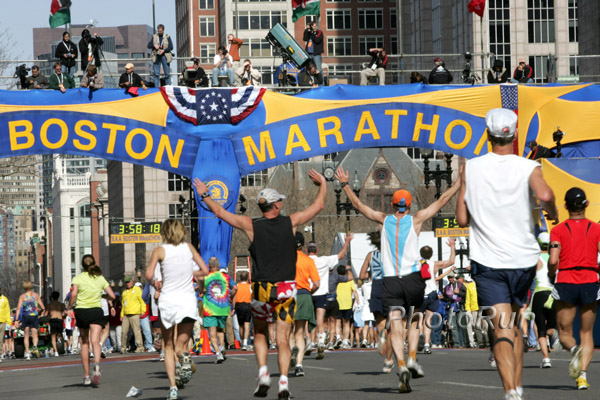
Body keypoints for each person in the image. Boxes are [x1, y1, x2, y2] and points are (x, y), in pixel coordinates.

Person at [192, 168, 327, 400]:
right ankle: (283, 382)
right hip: (286, 286)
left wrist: (204, 194)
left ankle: (264, 373)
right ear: (276, 205)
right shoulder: (290, 223)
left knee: (261, 332)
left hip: (262, 288)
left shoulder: (251, 225)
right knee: (284, 338)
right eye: (280, 202)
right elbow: (318, 206)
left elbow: (220, 212)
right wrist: (323, 183)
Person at [456, 107, 558, 400]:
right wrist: (551, 213)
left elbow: (462, 219)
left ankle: (511, 390)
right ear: (514, 136)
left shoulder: (471, 168)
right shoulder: (529, 167)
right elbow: (546, 196)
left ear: (488, 135)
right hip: (523, 261)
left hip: (488, 261)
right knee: (514, 323)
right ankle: (517, 385)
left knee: (501, 325)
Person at [335, 166, 461, 393]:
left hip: (391, 280)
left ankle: (401, 364)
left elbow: (358, 205)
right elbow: (441, 201)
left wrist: (345, 184)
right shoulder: (416, 219)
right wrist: (460, 182)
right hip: (413, 279)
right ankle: (412, 357)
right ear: (410, 205)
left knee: (395, 326)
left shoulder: (383, 219)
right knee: (414, 320)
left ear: (392, 205)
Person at [146, 218, 209, 400]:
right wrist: (189, 272)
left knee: (168, 346)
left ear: (164, 232)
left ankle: (173, 387)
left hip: (168, 301)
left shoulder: (160, 250)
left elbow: (150, 275)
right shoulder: (188, 248)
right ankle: (185, 357)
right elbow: (204, 270)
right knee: (182, 345)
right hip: (187, 302)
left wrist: (155, 282)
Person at [548, 187, 600, 390]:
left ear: (565, 206)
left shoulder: (558, 230)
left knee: (564, 333)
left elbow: (553, 260)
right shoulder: (596, 229)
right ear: (586, 204)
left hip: (566, 280)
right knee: (587, 332)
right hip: (589, 280)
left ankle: (574, 349)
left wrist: (552, 275)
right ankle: (582, 377)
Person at [68, 255, 116, 386]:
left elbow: (73, 294)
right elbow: (112, 295)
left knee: (84, 342)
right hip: (96, 310)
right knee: (95, 340)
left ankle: (87, 376)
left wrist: (69, 307)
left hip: (82, 311)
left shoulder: (78, 278)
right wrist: (102, 295)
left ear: (82, 265)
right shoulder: (100, 278)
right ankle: (97, 363)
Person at [308, 234, 352, 360]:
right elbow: (341, 255)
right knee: (320, 320)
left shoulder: (305, 261)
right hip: (322, 294)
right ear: (317, 251)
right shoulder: (324, 260)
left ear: (307, 251)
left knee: (306, 321)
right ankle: (321, 341)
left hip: (309, 292)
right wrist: (347, 242)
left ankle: (310, 342)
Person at [358, 231, 394, 372]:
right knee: (391, 327)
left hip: (376, 286)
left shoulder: (370, 255)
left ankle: (380, 336)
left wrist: (372, 273)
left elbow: (361, 275)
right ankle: (388, 360)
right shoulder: (392, 254)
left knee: (380, 322)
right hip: (390, 286)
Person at [290, 232, 320, 377]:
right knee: (300, 332)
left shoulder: (284, 259)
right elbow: (316, 283)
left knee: (287, 331)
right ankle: (299, 365)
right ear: (302, 245)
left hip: (288, 294)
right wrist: (309, 292)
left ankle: (290, 351)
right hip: (303, 294)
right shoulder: (308, 260)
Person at [419, 240, 457, 354]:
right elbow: (451, 261)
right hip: (431, 294)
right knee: (428, 320)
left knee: (418, 319)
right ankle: (426, 343)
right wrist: (452, 246)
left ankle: (420, 334)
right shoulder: (434, 264)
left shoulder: (416, 264)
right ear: (431, 254)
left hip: (420, 294)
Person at [529, 232, 558, 368]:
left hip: (539, 294)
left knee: (540, 329)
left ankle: (546, 358)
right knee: (550, 327)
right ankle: (556, 335)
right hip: (554, 294)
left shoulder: (535, 259)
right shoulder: (556, 258)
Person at [202, 257, 237, 364]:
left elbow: (201, 289)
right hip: (223, 307)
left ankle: (218, 353)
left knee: (212, 334)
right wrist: (231, 296)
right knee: (221, 330)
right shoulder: (226, 276)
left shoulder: (206, 277)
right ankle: (222, 347)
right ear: (218, 265)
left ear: (209, 266)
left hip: (210, 309)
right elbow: (235, 287)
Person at [16, 281, 46, 360]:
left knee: (26, 335)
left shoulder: (22, 296)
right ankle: (35, 346)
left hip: (25, 316)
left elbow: (18, 308)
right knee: (35, 334)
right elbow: (43, 307)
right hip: (34, 316)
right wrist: (40, 312)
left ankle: (27, 353)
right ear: (31, 287)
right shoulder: (36, 295)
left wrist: (16, 319)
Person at [120, 275, 145, 353]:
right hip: (126, 314)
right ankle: (123, 347)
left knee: (136, 331)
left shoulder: (137, 290)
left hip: (135, 313)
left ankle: (140, 347)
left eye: (128, 282)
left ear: (132, 282)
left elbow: (142, 300)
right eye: (126, 282)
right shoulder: (124, 292)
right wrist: (121, 314)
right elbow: (123, 304)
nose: (127, 283)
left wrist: (143, 310)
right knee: (124, 332)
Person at [336, 265, 359, 349]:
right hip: (347, 303)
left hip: (338, 303)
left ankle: (338, 337)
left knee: (337, 322)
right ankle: (345, 340)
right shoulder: (350, 281)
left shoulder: (336, 280)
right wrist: (358, 303)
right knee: (346, 323)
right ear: (346, 272)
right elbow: (355, 292)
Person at [233, 271, 252, 351]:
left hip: (239, 305)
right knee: (247, 324)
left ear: (240, 278)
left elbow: (234, 297)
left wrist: (234, 308)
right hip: (248, 305)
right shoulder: (250, 286)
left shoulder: (237, 286)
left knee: (241, 325)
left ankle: (241, 341)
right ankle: (245, 343)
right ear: (247, 278)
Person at [45, 291, 65, 357]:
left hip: (53, 319)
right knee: (60, 333)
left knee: (53, 336)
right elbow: (65, 312)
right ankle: (60, 341)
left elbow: (46, 314)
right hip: (60, 319)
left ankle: (56, 351)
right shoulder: (61, 304)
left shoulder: (49, 305)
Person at [0, 287, 10, 362]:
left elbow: (7, 311)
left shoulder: (4, 299)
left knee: (0, 339)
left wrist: (9, 322)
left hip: (2, 322)